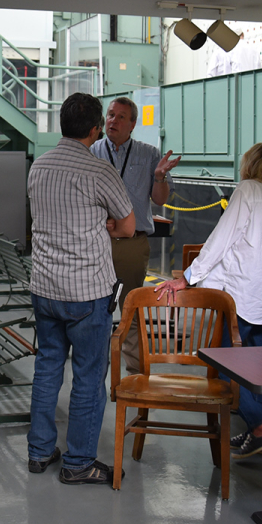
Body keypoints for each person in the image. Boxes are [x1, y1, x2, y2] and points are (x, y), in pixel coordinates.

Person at [154, 142, 262, 458]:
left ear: (251, 166)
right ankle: (256, 433)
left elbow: (220, 240)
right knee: (260, 369)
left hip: (239, 299)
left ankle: (260, 428)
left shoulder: (247, 190)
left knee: (222, 361)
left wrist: (188, 277)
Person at [27, 93, 135, 485]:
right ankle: (78, 463)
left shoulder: (38, 167)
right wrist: (101, 224)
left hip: (44, 286)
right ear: (94, 130)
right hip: (87, 291)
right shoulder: (99, 171)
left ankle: (39, 452)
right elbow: (126, 226)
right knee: (89, 376)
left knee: (47, 367)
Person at [90, 96, 180, 374]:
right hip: (97, 242)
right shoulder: (92, 151)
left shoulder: (148, 154)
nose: (112, 121)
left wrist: (160, 177)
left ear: (133, 124)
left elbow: (160, 199)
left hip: (131, 244)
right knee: (94, 308)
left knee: (131, 307)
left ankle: (137, 372)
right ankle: (94, 368)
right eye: (110, 115)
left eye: (120, 117)